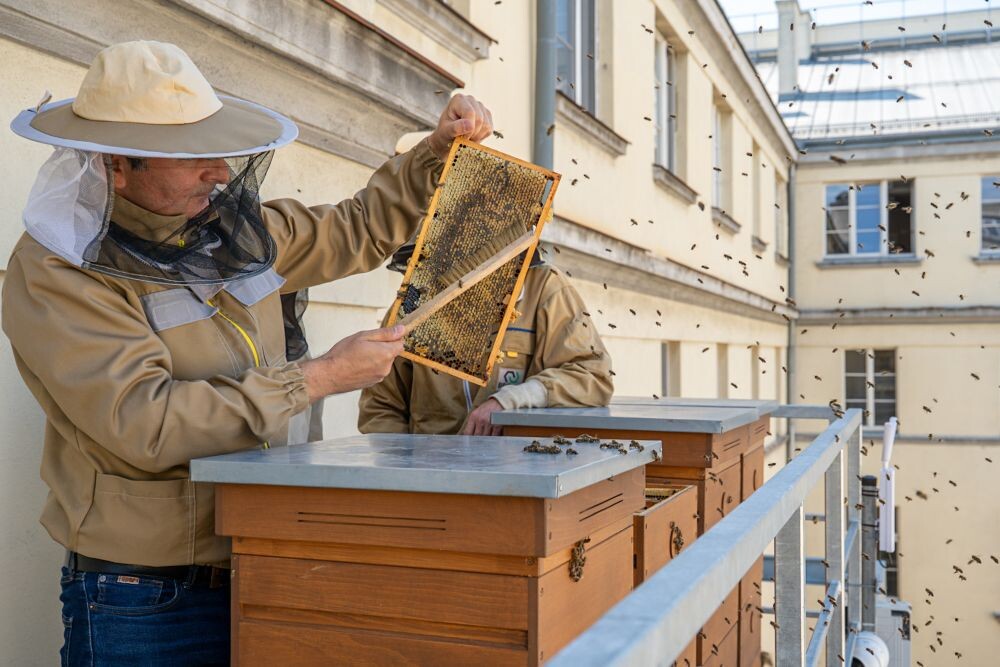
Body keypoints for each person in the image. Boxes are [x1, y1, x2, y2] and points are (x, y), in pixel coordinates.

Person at [2, 40, 493, 665]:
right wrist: (315, 379)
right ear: (115, 165)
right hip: (145, 593)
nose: (219, 172)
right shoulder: (54, 271)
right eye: (192, 157)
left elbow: (361, 228)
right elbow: (142, 422)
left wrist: (434, 152)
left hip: (268, 554)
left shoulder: (233, 228)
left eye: (218, 151)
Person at [357, 245, 614, 435]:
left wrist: (511, 400)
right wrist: (404, 472)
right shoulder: (415, 301)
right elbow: (381, 405)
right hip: (433, 477)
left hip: (521, 473)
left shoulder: (546, 288)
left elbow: (592, 376)